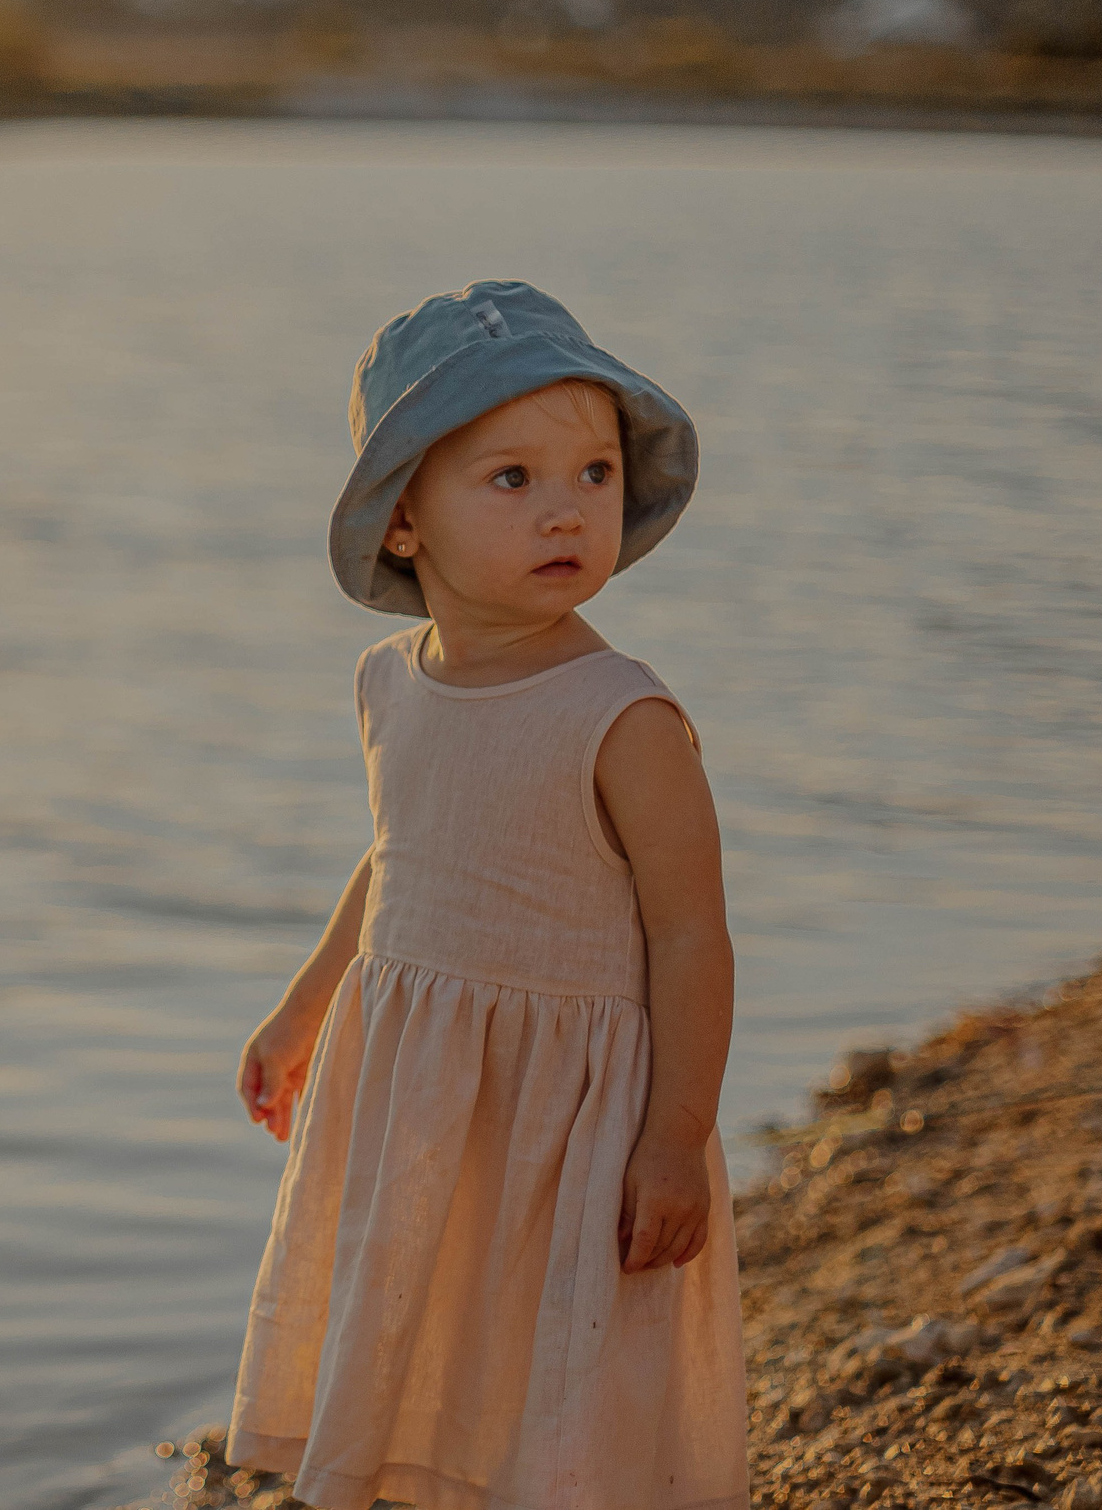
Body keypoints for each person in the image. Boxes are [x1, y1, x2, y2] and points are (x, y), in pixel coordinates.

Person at [226, 281, 748, 1510]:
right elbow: (397, 859)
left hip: (576, 1117)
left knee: (563, 1378)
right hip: (424, 1087)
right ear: (405, 519)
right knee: (425, 1332)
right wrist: (301, 1012)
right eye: (510, 479)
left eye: (594, 475)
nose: (566, 509)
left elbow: (690, 936)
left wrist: (672, 1138)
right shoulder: (388, 685)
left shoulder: (621, 715)